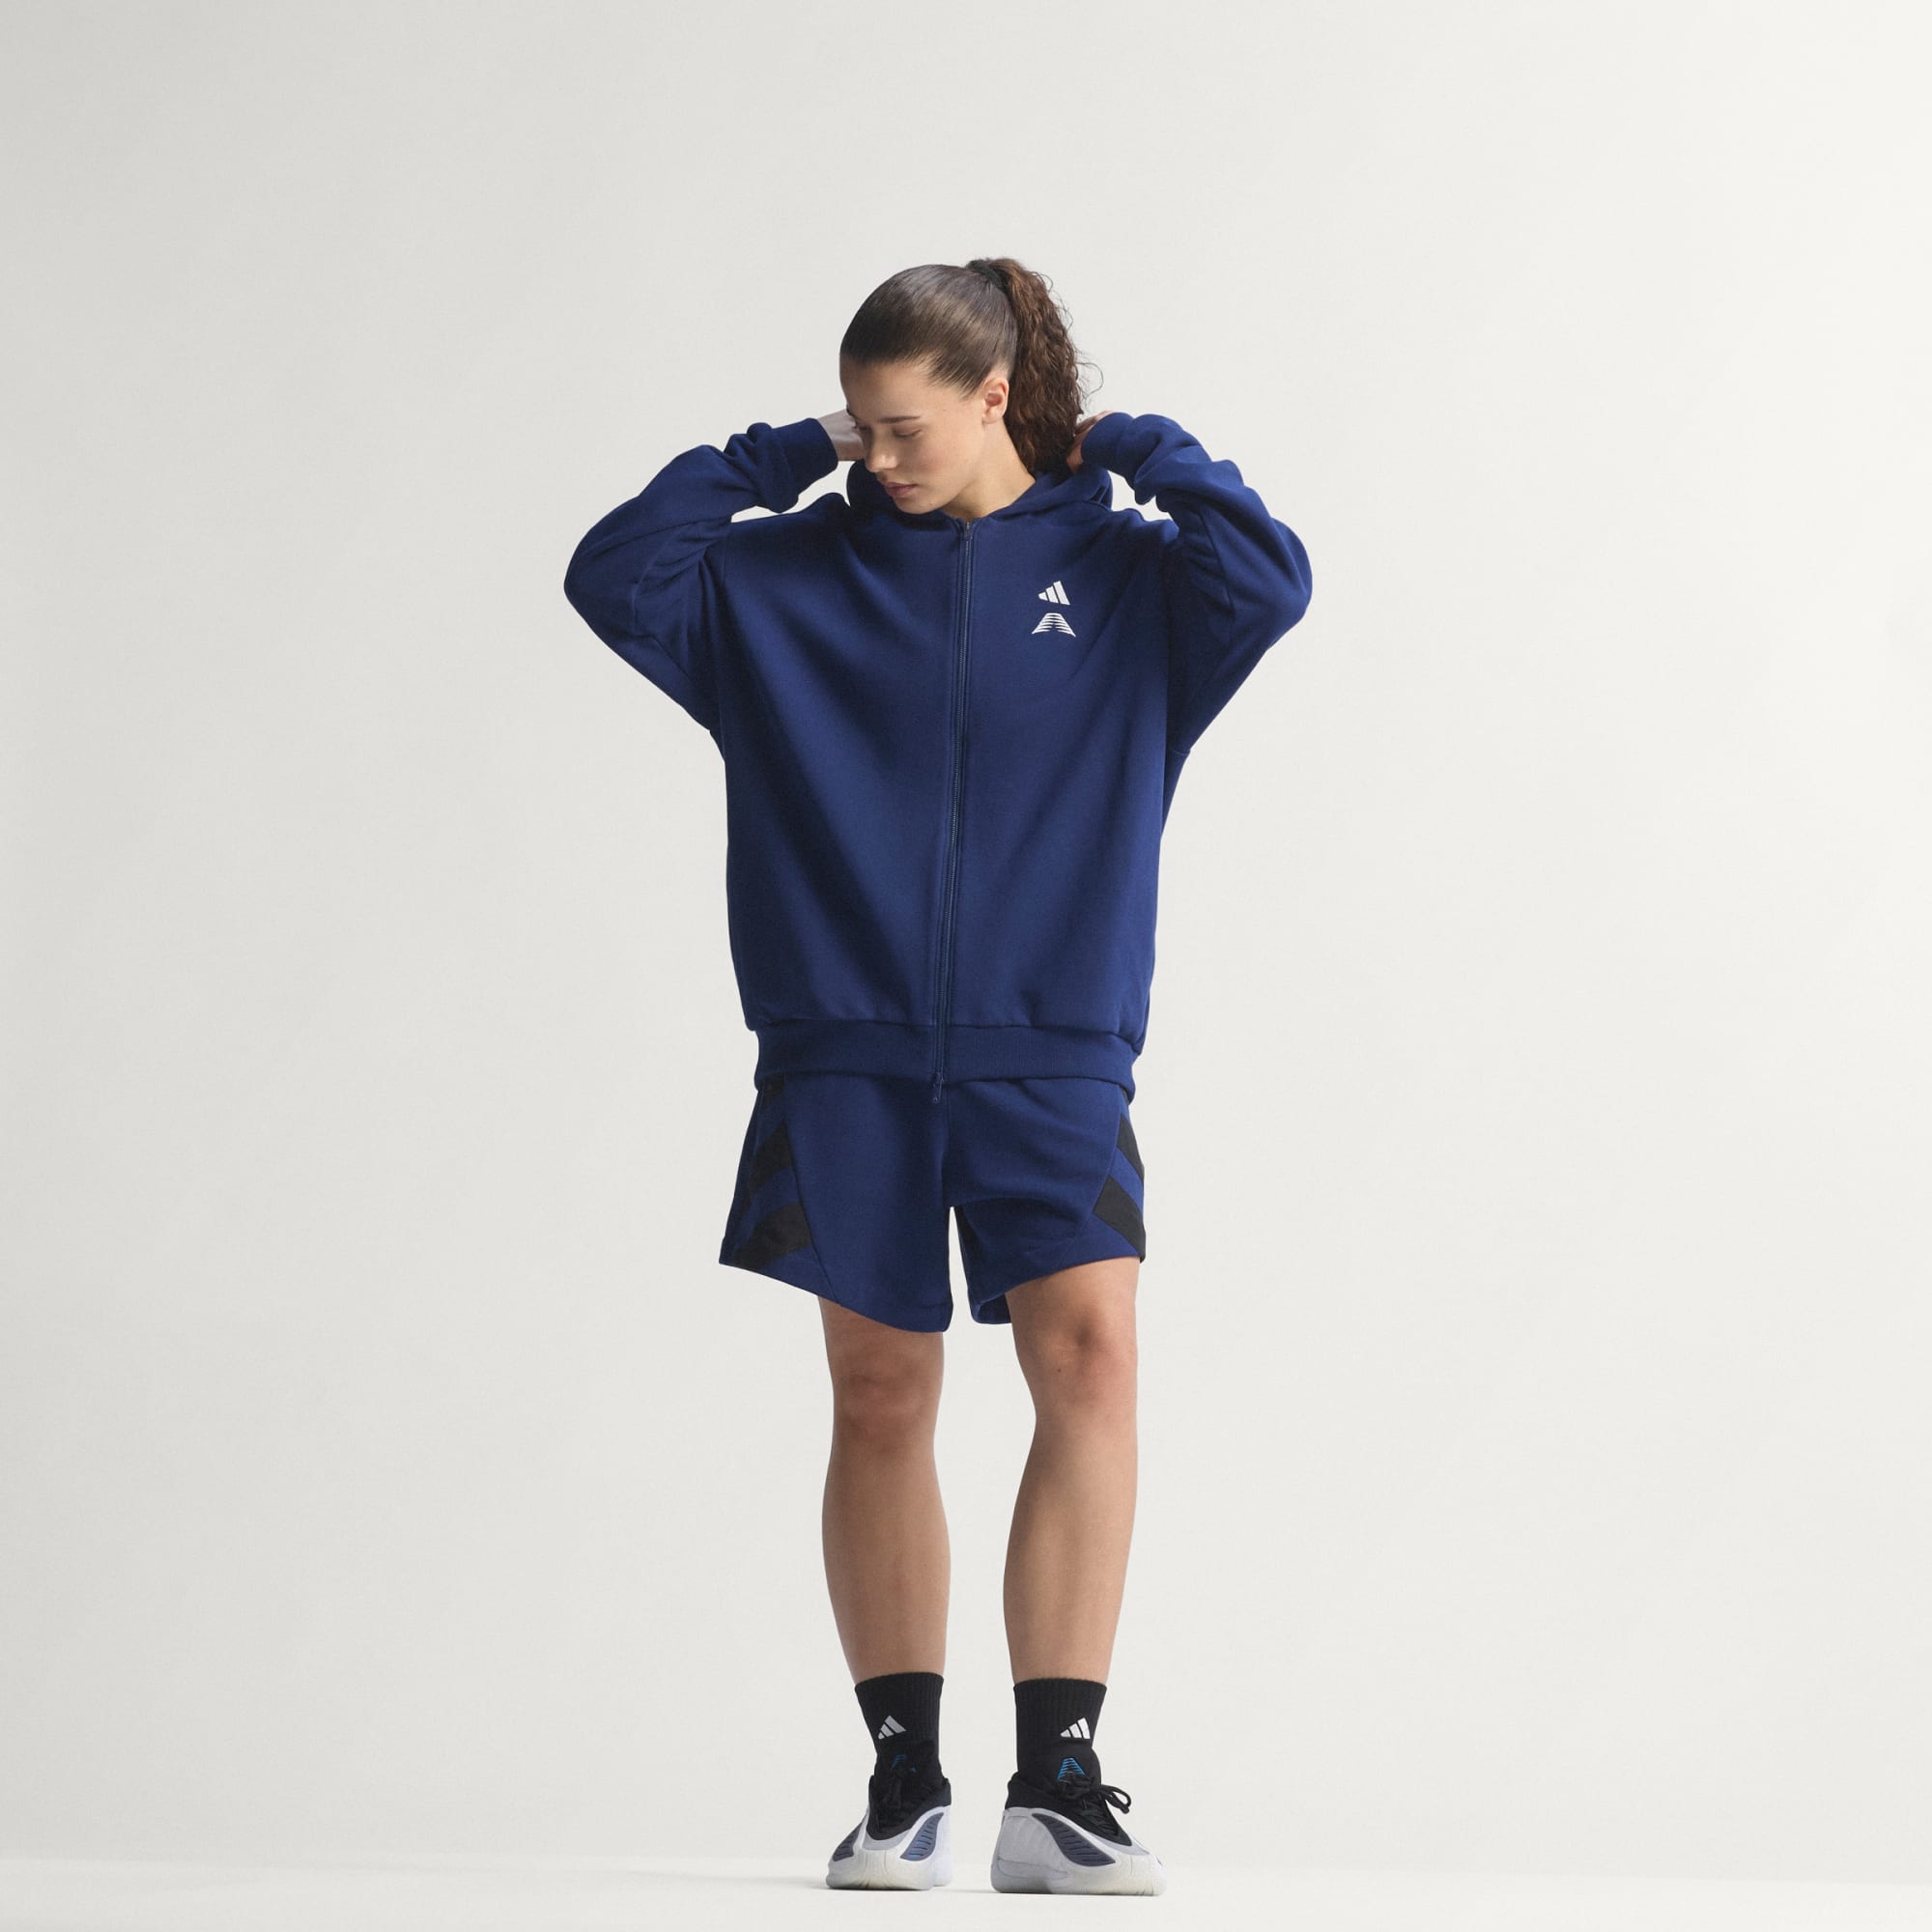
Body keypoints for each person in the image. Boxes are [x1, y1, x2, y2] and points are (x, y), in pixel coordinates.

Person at [563, 256, 1312, 1896]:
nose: (878, 455)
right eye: (861, 424)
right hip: (845, 1043)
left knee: (1092, 1360)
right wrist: (788, 451)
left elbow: (1271, 576)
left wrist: (1133, 447)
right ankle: (903, 1778)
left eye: (907, 426)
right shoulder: (780, 584)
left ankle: (1061, 1785)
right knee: (882, 1392)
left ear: (996, 398)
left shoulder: (1129, 580)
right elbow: (614, 572)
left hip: (1054, 1042)